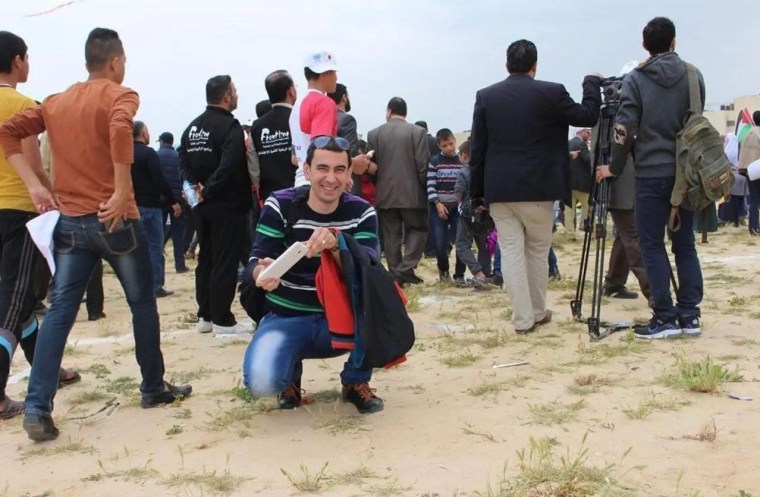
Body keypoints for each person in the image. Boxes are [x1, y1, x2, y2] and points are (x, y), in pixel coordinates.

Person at [0, 27, 192, 440]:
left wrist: (34, 184)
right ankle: (153, 386)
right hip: (115, 219)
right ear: (116, 61)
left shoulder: (55, 101)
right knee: (142, 303)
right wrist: (123, 188)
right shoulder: (121, 95)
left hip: (71, 223)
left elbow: (7, 132)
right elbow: (122, 128)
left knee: (60, 312)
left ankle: (37, 407)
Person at [243, 136, 383, 414]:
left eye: (339, 169)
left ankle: (355, 381)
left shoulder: (362, 212)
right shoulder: (279, 205)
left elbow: (369, 267)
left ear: (348, 174)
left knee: (378, 310)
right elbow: (255, 260)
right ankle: (288, 378)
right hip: (286, 314)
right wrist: (262, 273)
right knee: (261, 383)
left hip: (342, 314)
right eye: (322, 168)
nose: (330, 178)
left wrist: (338, 244)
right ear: (307, 171)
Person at [470, 39, 601, 334]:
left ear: (507, 65)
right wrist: (591, 83)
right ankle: (539, 311)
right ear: (535, 66)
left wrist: (476, 193)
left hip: (500, 190)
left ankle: (522, 319)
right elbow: (587, 116)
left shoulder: (487, 96)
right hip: (540, 189)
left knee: (512, 252)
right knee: (538, 253)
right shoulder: (552, 92)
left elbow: (478, 149)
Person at [597, 17, 704, 339]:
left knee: (652, 245)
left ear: (646, 45)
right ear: (674, 42)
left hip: (650, 172)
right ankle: (690, 315)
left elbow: (623, 129)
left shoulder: (636, 80)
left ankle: (665, 316)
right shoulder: (692, 74)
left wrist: (614, 166)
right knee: (685, 246)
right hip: (686, 173)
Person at [0, 30, 79, 421]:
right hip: (18, 210)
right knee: (13, 303)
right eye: (26, 57)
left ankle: (46, 368)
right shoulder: (19, 104)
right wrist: (54, 196)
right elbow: (32, 163)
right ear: (17, 61)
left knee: (25, 299)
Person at [179, 75, 254, 336]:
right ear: (226, 96)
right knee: (224, 259)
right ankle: (222, 318)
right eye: (235, 91)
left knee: (207, 258)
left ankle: (206, 315)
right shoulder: (229, 126)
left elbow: (183, 162)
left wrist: (195, 192)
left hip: (201, 206)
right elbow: (230, 164)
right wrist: (209, 189)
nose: (237, 95)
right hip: (226, 204)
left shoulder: (192, 128)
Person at [366, 97, 430, 285]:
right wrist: (424, 190)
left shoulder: (374, 134)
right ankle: (406, 268)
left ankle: (395, 274)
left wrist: (379, 183)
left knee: (391, 234)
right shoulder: (417, 132)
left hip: (385, 194)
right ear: (405, 112)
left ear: (389, 111)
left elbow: (371, 166)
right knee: (418, 229)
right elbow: (422, 166)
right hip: (412, 194)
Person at [131, 121, 181, 297]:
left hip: (131, 207)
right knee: (154, 246)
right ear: (143, 133)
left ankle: (137, 286)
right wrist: (173, 202)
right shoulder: (148, 153)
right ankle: (155, 286)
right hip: (151, 206)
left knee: (135, 248)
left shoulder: (124, 153)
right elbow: (159, 180)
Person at [454, 139, 498, 287]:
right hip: (485, 213)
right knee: (484, 245)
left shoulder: (463, 173)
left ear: (464, 155)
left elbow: (458, 194)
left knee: (462, 245)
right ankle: (486, 273)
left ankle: (477, 273)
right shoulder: (485, 170)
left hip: (468, 213)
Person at [250, 70, 297, 201]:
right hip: (299, 193)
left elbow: (254, 168)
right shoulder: (299, 119)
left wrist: (260, 190)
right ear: (291, 91)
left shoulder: (257, 126)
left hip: (270, 196)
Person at [427, 128, 465, 282]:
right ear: (439, 146)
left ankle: (460, 275)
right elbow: (430, 186)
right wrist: (437, 203)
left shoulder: (461, 160)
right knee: (440, 243)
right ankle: (443, 272)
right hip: (439, 208)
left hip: (458, 209)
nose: (449, 148)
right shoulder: (435, 161)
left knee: (461, 243)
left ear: (455, 141)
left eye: (450, 143)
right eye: (444, 145)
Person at [157, 131, 189, 273]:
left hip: (160, 200)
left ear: (162, 142)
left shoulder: (156, 156)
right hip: (178, 200)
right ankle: (180, 265)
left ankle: (158, 267)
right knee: (178, 233)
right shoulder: (178, 157)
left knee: (158, 234)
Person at [328, 83, 367, 195]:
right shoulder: (347, 120)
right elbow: (351, 152)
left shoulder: (322, 118)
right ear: (344, 97)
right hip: (344, 182)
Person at [566, 128, 592, 236]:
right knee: (587, 206)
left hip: (569, 183)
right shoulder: (582, 144)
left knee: (569, 209)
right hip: (582, 184)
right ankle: (585, 226)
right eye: (587, 132)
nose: (589, 135)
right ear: (581, 132)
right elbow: (587, 159)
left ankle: (569, 232)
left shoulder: (569, 143)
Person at [739, 111, 760, 234]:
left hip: (749, 171)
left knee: (753, 199)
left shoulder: (747, 134)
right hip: (758, 169)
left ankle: (753, 227)